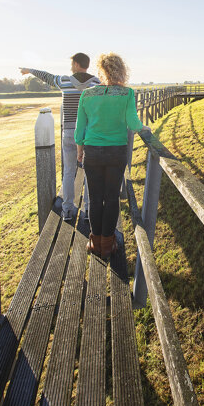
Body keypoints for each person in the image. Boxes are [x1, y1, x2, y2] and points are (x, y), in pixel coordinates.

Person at [75, 53, 149, 259]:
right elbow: (133, 124)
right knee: (112, 198)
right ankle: (108, 244)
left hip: (92, 152)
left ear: (101, 70)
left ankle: (94, 241)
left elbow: (80, 128)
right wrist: (145, 128)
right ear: (121, 70)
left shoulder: (87, 95)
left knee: (95, 198)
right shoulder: (126, 94)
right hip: (116, 152)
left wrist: (80, 151)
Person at [20, 53, 101, 221]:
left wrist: (30, 70)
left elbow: (47, 77)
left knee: (69, 171)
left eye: (72, 63)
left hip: (69, 133)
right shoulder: (96, 83)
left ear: (77, 64)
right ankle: (87, 211)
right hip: (89, 134)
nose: (71, 66)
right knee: (89, 173)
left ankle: (67, 210)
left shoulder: (64, 81)